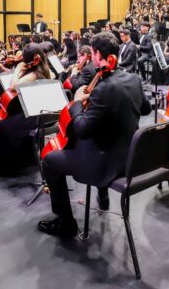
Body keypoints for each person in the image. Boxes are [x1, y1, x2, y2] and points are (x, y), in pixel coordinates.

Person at [38, 32, 150, 237]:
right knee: (102, 132)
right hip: (130, 159)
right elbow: (146, 110)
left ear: (98, 54)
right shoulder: (133, 79)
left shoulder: (103, 89)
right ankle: (103, 194)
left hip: (104, 165)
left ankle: (66, 223)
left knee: (49, 159)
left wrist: (79, 101)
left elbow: (80, 129)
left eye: (92, 53)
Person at [0, 43, 52, 175]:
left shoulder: (34, 75)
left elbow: (13, 86)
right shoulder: (46, 70)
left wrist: (18, 69)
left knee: (0, 127)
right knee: (9, 121)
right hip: (40, 113)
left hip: (33, 116)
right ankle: (26, 158)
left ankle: (6, 167)